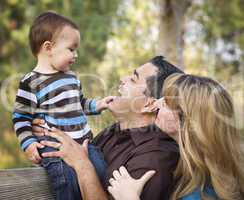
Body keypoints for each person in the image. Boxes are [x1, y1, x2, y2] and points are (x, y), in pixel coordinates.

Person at [32, 56, 184, 200]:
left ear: (149, 104)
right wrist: (47, 136)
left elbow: (80, 160)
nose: (122, 79)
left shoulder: (155, 160)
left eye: (133, 79)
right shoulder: (113, 132)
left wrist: (82, 165)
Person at [12, 12, 114, 200]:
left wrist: (98, 105)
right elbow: (20, 118)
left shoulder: (72, 77)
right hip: (55, 149)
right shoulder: (31, 82)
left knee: (101, 173)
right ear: (48, 47)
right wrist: (29, 143)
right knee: (67, 185)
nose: (76, 55)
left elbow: (80, 103)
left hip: (85, 143)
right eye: (71, 49)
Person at [107, 73, 244, 200]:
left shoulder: (202, 193)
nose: (158, 102)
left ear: (187, 122)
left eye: (166, 103)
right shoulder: (205, 170)